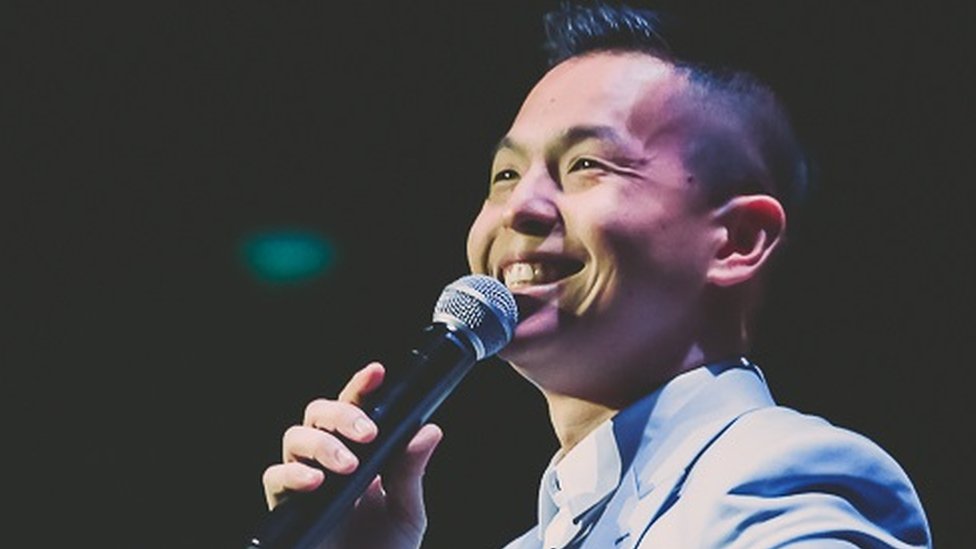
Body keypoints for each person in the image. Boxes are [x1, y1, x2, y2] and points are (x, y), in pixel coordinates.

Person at [261, 3, 931, 548]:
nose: (520, 206)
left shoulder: (779, 479)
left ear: (736, 241)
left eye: (587, 164)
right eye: (504, 174)